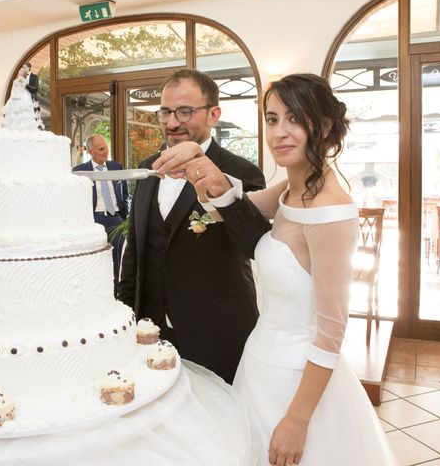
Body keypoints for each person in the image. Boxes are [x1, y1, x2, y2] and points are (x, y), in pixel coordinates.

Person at [153, 73, 396, 465]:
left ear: (325, 126)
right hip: (259, 364)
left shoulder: (330, 211)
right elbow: (236, 208)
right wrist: (202, 165)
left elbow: (331, 331)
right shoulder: (288, 189)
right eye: (271, 119)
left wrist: (298, 420)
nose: (280, 132)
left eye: (295, 119)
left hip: (297, 379)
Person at [117, 69, 269, 384]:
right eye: (165, 112)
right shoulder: (148, 169)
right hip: (151, 334)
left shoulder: (240, 172)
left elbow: (253, 243)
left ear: (213, 114)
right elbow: (136, 248)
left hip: (216, 333)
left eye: (185, 112)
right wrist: (125, 318)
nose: (172, 123)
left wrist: (211, 181)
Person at [73, 134, 128, 292]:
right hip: (95, 220)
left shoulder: (116, 167)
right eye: (101, 148)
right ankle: (99, 290)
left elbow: (123, 193)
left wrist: (124, 215)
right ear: (90, 151)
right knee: (97, 257)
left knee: (119, 256)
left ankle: (119, 290)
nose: (106, 151)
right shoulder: (80, 171)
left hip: (116, 218)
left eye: (106, 147)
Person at [22, 62, 43, 130]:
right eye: (23, 67)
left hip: (32, 99)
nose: (23, 69)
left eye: (25, 67)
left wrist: (26, 85)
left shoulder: (34, 76)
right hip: (23, 100)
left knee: (34, 117)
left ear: (29, 68)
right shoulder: (21, 77)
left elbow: (36, 88)